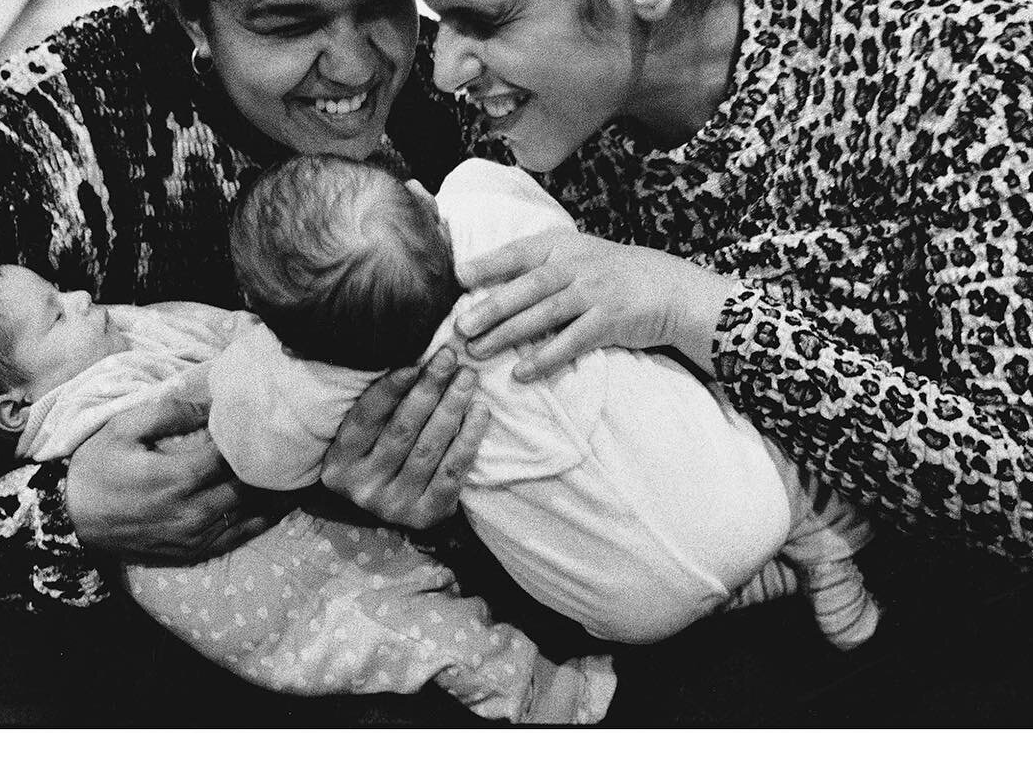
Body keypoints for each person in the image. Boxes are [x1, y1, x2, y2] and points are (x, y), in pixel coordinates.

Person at [343, 0, 1033, 721]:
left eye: (483, 19)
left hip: (973, 656)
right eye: (437, 21)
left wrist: (692, 306)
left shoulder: (944, 33)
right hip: (694, 648)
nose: (444, 68)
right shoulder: (517, 146)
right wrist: (432, 485)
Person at [0, 0, 498, 726]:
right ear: (193, 14)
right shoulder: (26, 136)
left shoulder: (448, 102)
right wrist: (66, 515)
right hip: (108, 615)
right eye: (285, 23)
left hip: (360, 589)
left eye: (385, 5)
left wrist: (440, 479)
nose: (355, 67)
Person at [0, 263, 614, 723]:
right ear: (12, 411)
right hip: (272, 598)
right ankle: (555, 704)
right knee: (417, 637)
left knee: (420, 613)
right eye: (57, 311)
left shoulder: (94, 356)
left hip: (304, 548)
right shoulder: (85, 410)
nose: (83, 292)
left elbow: (188, 339)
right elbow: (218, 402)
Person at [215, 152, 880, 649]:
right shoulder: (490, 232)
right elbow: (514, 195)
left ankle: (751, 585)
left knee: (664, 583)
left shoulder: (318, 380)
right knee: (754, 434)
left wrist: (253, 362)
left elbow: (258, 457)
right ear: (422, 201)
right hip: (745, 489)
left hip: (630, 611)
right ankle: (819, 549)